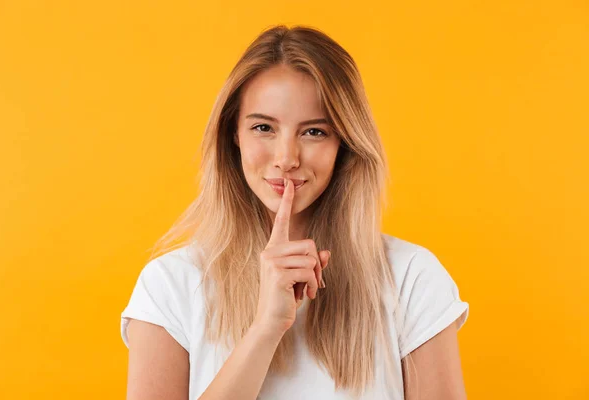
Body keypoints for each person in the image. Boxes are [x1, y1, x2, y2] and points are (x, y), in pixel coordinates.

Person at [120, 24, 470, 400]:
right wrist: (266, 328)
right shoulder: (169, 286)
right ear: (232, 135)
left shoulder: (412, 278)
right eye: (263, 127)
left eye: (314, 132)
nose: (286, 159)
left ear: (346, 144)